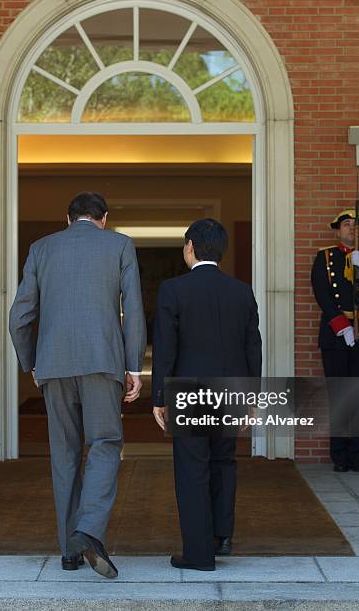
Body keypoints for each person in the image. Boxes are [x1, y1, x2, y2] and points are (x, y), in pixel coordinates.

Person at [9, 192, 146, 578]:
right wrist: (134, 366)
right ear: (104, 218)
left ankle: (69, 551)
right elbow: (132, 307)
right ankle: (87, 530)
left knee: (64, 454)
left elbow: (19, 315)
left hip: (53, 363)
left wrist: (31, 361)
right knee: (104, 443)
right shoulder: (120, 244)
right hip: (102, 361)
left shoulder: (41, 249)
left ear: (67, 219)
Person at [151, 218, 262, 571]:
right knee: (223, 463)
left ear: (190, 247)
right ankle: (221, 537)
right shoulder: (241, 291)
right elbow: (252, 347)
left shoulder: (173, 290)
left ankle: (199, 554)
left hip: (189, 391)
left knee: (192, 469)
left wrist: (158, 397)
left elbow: (165, 349)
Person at [311, 209, 359, 472]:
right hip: (336, 335)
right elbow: (322, 294)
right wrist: (342, 326)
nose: (351, 229)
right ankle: (340, 456)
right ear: (337, 230)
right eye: (346, 224)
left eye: (356, 225)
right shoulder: (324, 257)